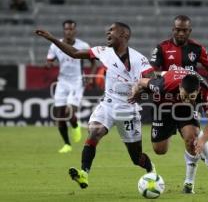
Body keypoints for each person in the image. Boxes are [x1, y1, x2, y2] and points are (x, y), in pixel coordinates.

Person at [35, 22, 156, 189]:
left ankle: (150, 169)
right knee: (95, 132)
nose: (108, 32)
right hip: (108, 104)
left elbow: (154, 84)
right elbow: (75, 53)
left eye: (112, 30)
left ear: (124, 35)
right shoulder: (103, 52)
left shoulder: (139, 59)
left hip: (128, 110)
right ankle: (84, 173)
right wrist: (52, 38)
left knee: (136, 158)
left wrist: (141, 93)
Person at [150, 15, 208, 188]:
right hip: (166, 101)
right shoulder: (162, 48)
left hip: (188, 99)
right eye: (177, 29)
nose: (180, 33)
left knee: (191, 139)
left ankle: (191, 181)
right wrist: (162, 79)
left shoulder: (197, 49)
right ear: (173, 29)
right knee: (159, 150)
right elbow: (151, 73)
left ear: (189, 31)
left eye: (184, 30)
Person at [129, 69, 208, 193]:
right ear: (180, 87)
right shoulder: (162, 85)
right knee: (159, 150)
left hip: (186, 111)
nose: (187, 99)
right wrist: (136, 91)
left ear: (198, 91)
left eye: (192, 97)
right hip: (163, 108)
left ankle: (189, 183)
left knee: (191, 139)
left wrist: (202, 140)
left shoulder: (204, 91)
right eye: (185, 96)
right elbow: (141, 81)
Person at [45, 20, 97, 153]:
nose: (69, 31)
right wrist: (48, 64)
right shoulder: (55, 46)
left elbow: (93, 62)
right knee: (59, 116)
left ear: (75, 31)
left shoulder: (83, 45)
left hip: (77, 81)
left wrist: (90, 77)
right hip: (62, 82)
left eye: (71, 29)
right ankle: (67, 144)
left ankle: (75, 126)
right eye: (67, 29)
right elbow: (49, 61)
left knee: (69, 113)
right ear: (64, 31)